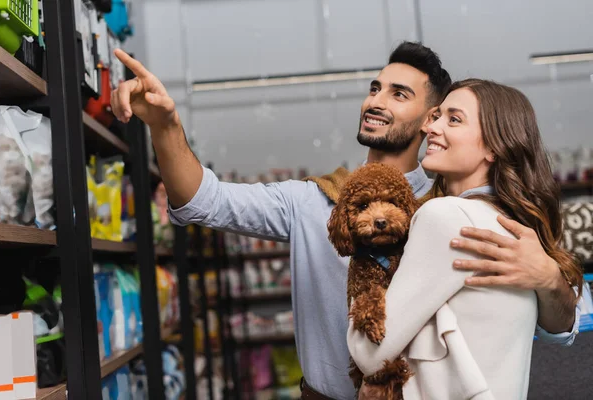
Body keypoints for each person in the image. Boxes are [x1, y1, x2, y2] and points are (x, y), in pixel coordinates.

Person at [110, 42, 581, 400]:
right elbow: (203, 200)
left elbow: (562, 326)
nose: (377, 100)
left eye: (400, 94)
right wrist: (165, 126)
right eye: (375, 88)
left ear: (428, 121)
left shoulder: (449, 206)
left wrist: (549, 280)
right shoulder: (315, 201)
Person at [348, 79, 584, 399]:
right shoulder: (512, 227)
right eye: (437, 116)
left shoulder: (445, 217)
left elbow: (370, 354)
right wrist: (553, 280)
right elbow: (561, 332)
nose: (431, 128)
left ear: (493, 146)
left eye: (454, 119)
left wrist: (361, 280)